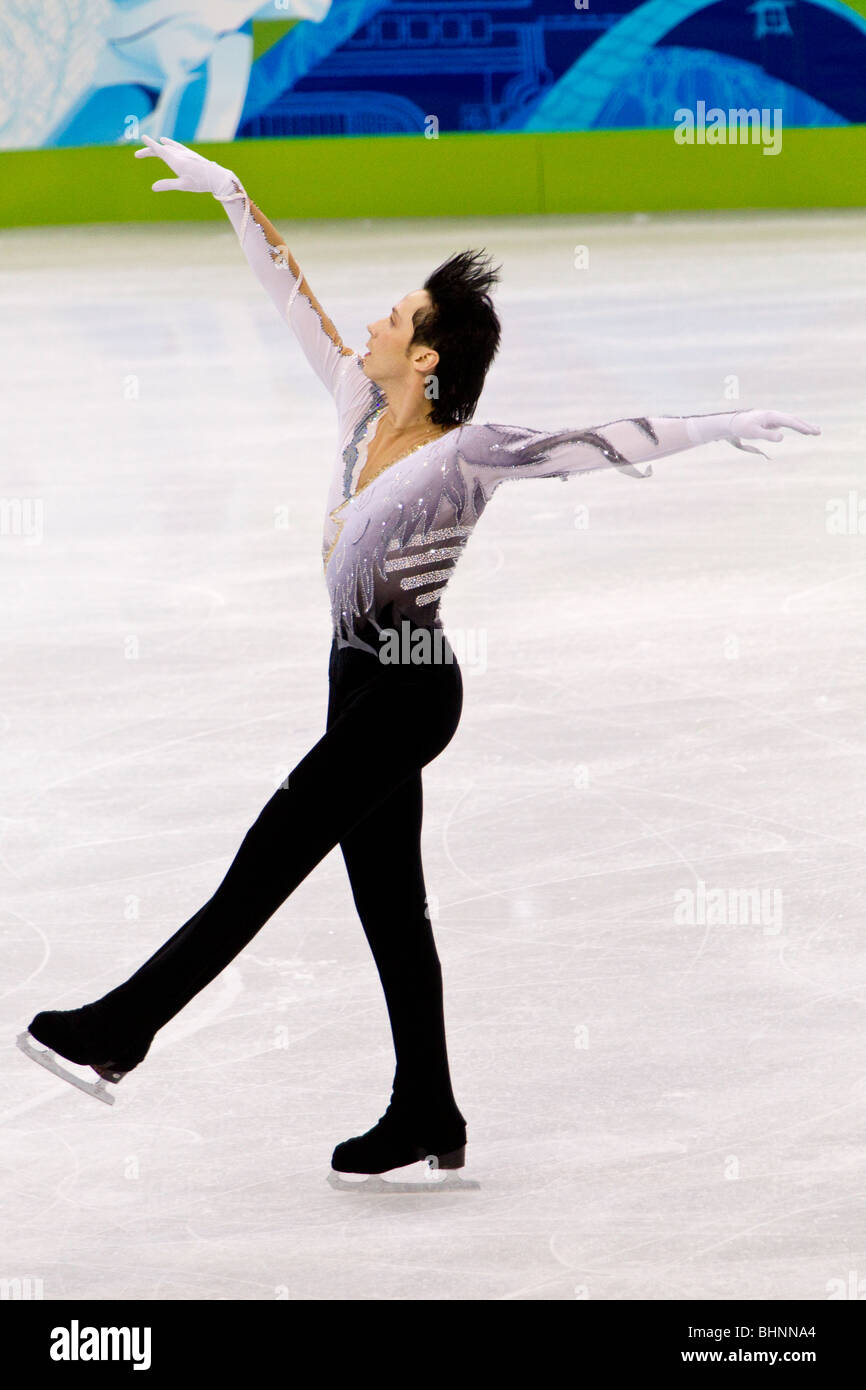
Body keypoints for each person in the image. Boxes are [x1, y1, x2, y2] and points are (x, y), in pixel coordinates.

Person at [18, 136, 821, 1176]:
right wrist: (233, 197)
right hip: (351, 678)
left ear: (428, 357)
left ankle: (120, 1029)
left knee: (267, 859)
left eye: (396, 318)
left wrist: (723, 422)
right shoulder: (360, 407)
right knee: (390, 903)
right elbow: (292, 297)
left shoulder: (467, 452)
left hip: (408, 688)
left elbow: (608, 435)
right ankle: (427, 1108)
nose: (374, 323)